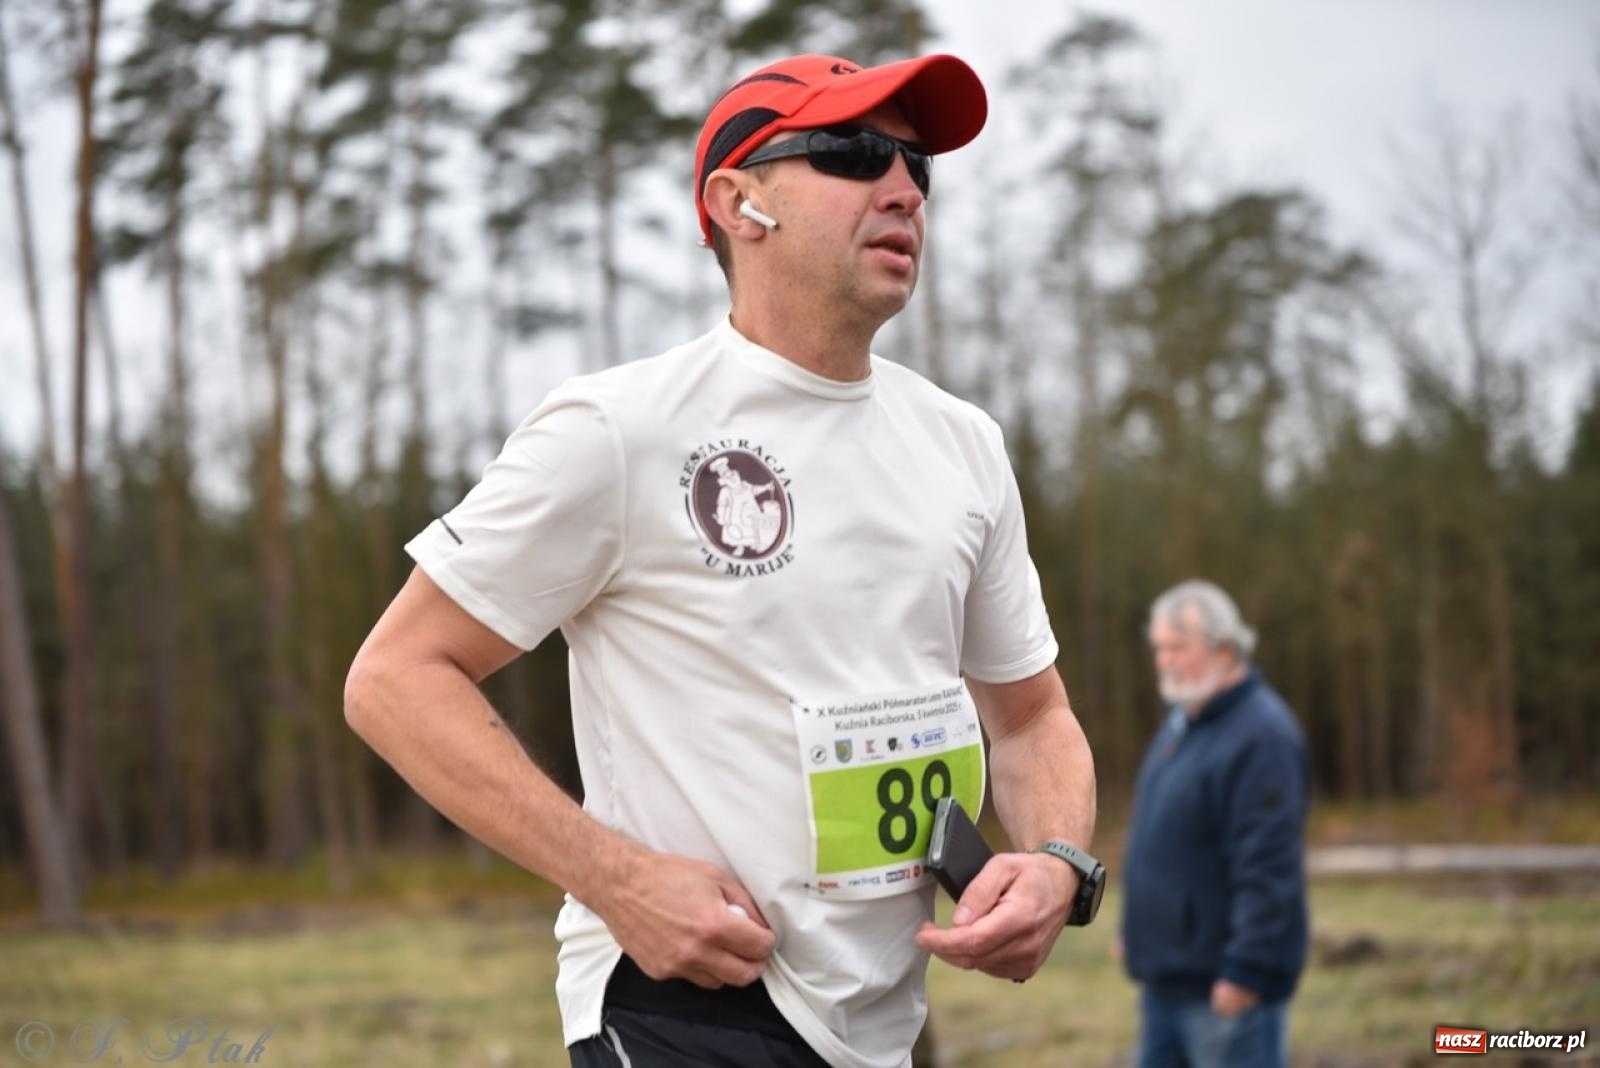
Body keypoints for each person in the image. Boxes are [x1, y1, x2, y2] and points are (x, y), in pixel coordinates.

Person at [343, 51, 1101, 1068]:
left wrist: (1055, 864)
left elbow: (1033, 717)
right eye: (851, 151)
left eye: (919, 165)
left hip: (889, 1021)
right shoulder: (618, 429)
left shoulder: (962, 443)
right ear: (738, 204)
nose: (901, 187)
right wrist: (617, 881)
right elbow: (393, 680)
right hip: (687, 1008)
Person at [1120, 580, 1310, 1068]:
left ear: (1225, 650)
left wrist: (1246, 971)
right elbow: (1159, 842)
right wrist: (1136, 930)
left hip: (1224, 993)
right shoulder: (1180, 726)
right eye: (1159, 648)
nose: (1163, 660)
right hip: (1167, 982)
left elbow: (1268, 868)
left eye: (1178, 648)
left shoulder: (1261, 737)